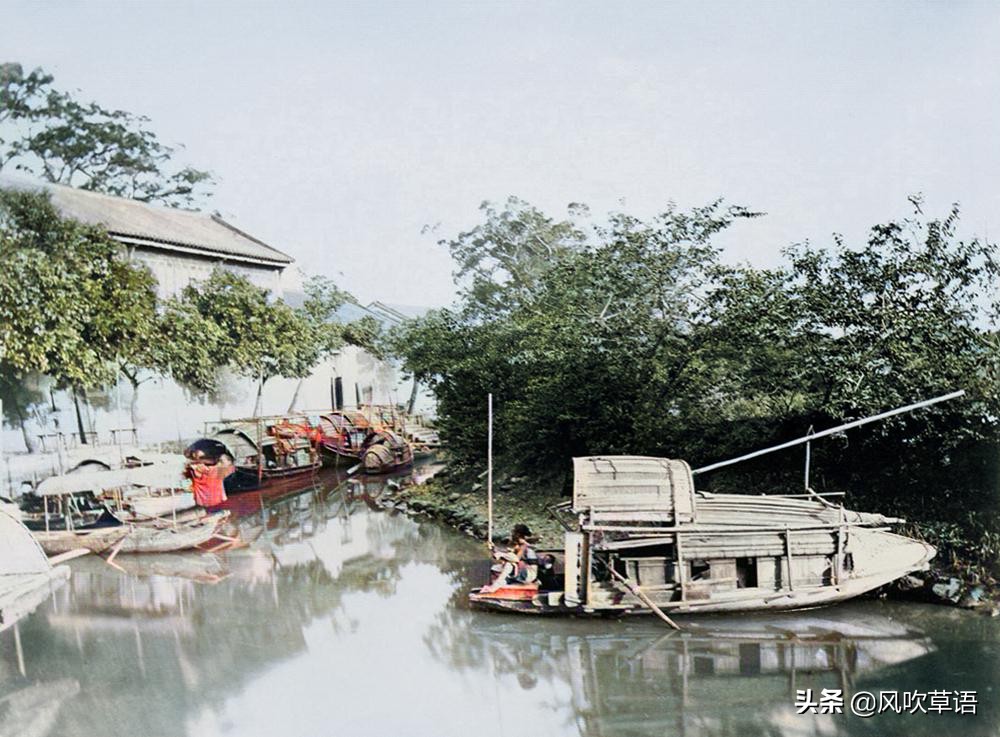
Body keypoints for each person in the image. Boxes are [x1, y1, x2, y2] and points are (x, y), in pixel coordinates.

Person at [486, 523, 539, 589]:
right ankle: (498, 585)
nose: (512, 534)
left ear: (518, 534)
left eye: (514, 532)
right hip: (520, 571)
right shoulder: (516, 545)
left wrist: (501, 554)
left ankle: (494, 587)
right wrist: (494, 549)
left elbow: (516, 559)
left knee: (509, 565)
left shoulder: (524, 546)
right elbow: (507, 556)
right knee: (495, 568)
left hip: (529, 574)